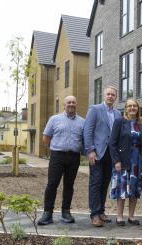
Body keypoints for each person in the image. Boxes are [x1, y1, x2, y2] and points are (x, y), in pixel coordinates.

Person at [37, 96, 85, 225]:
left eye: (73, 102)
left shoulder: (82, 122)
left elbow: (84, 140)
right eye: (68, 102)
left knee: (69, 185)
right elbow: (46, 137)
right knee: (52, 184)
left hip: (74, 157)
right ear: (64, 105)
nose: (71, 104)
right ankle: (47, 213)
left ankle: (66, 212)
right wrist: (55, 148)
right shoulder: (54, 119)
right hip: (57, 156)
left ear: (76, 104)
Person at [84, 86, 121, 227]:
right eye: (108, 94)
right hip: (97, 153)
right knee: (95, 183)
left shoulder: (118, 113)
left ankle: (101, 211)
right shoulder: (95, 109)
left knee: (105, 183)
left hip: (111, 155)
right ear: (104, 96)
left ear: (116, 97)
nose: (110, 96)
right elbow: (87, 130)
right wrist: (90, 150)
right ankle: (94, 214)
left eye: (113, 95)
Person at [109, 99, 142, 226]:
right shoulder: (120, 121)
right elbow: (112, 143)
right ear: (125, 108)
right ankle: (119, 217)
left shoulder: (141, 122)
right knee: (122, 188)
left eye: (134, 106)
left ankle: (131, 216)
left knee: (134, 189)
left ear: (138, 108)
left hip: (137, 161)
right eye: (129, 106)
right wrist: (116, 161)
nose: (132, 108)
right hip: (122, 160)